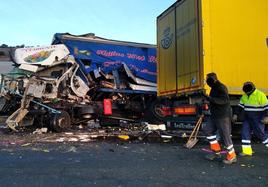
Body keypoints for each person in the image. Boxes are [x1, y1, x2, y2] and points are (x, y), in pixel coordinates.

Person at [203, 72, 237, 164]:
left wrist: (210, 99)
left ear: (213, 79)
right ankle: (216, 151)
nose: (207, 82)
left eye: (208, 80)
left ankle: (232, 156)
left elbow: (224, 100)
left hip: (222, 116)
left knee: (225, 136)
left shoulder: (221, 87)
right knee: (207, 130)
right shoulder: (214, 88)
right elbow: (214, 100)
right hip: (215, 115)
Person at [232, 81, 268, 156]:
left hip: (258, 118)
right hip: (248, 118)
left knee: (260, 134)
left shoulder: (260, 95)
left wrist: (266, 117)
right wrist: (235, 114)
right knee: (245, 133)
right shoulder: (245, 96)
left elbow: (266, 108)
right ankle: (247, 151)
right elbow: (240, 106)